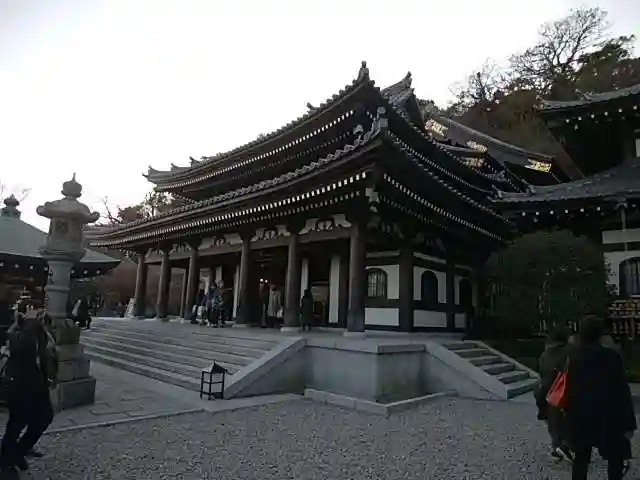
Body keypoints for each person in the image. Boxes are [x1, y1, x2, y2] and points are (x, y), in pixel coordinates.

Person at [566, 315, 636, 480]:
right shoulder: (610, 356)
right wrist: (629, 422)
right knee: (615, 459)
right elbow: (621, 391)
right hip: (608, 414)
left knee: (581, 459)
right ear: (600, 333)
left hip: (580, 414)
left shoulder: (573, 357)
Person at [0, 305, 55, 474]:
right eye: (35, 310)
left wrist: (50, 376)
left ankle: (18, 451)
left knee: (45, 417)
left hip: (38, 384)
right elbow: (21, 347)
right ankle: (5, 462)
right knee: (17, 423)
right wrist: (30, 323)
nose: (40, 313)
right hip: (19, 384)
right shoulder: (17, 330)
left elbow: (45, 355)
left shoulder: (39, 330)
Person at [535, 326, 573, 462]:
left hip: (547, 391)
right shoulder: (568, 352)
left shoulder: (545, 354)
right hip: (563, 391)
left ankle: (557, 447)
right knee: (566, 420)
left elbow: (542, 373)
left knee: (553, 421)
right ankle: (565, 446)